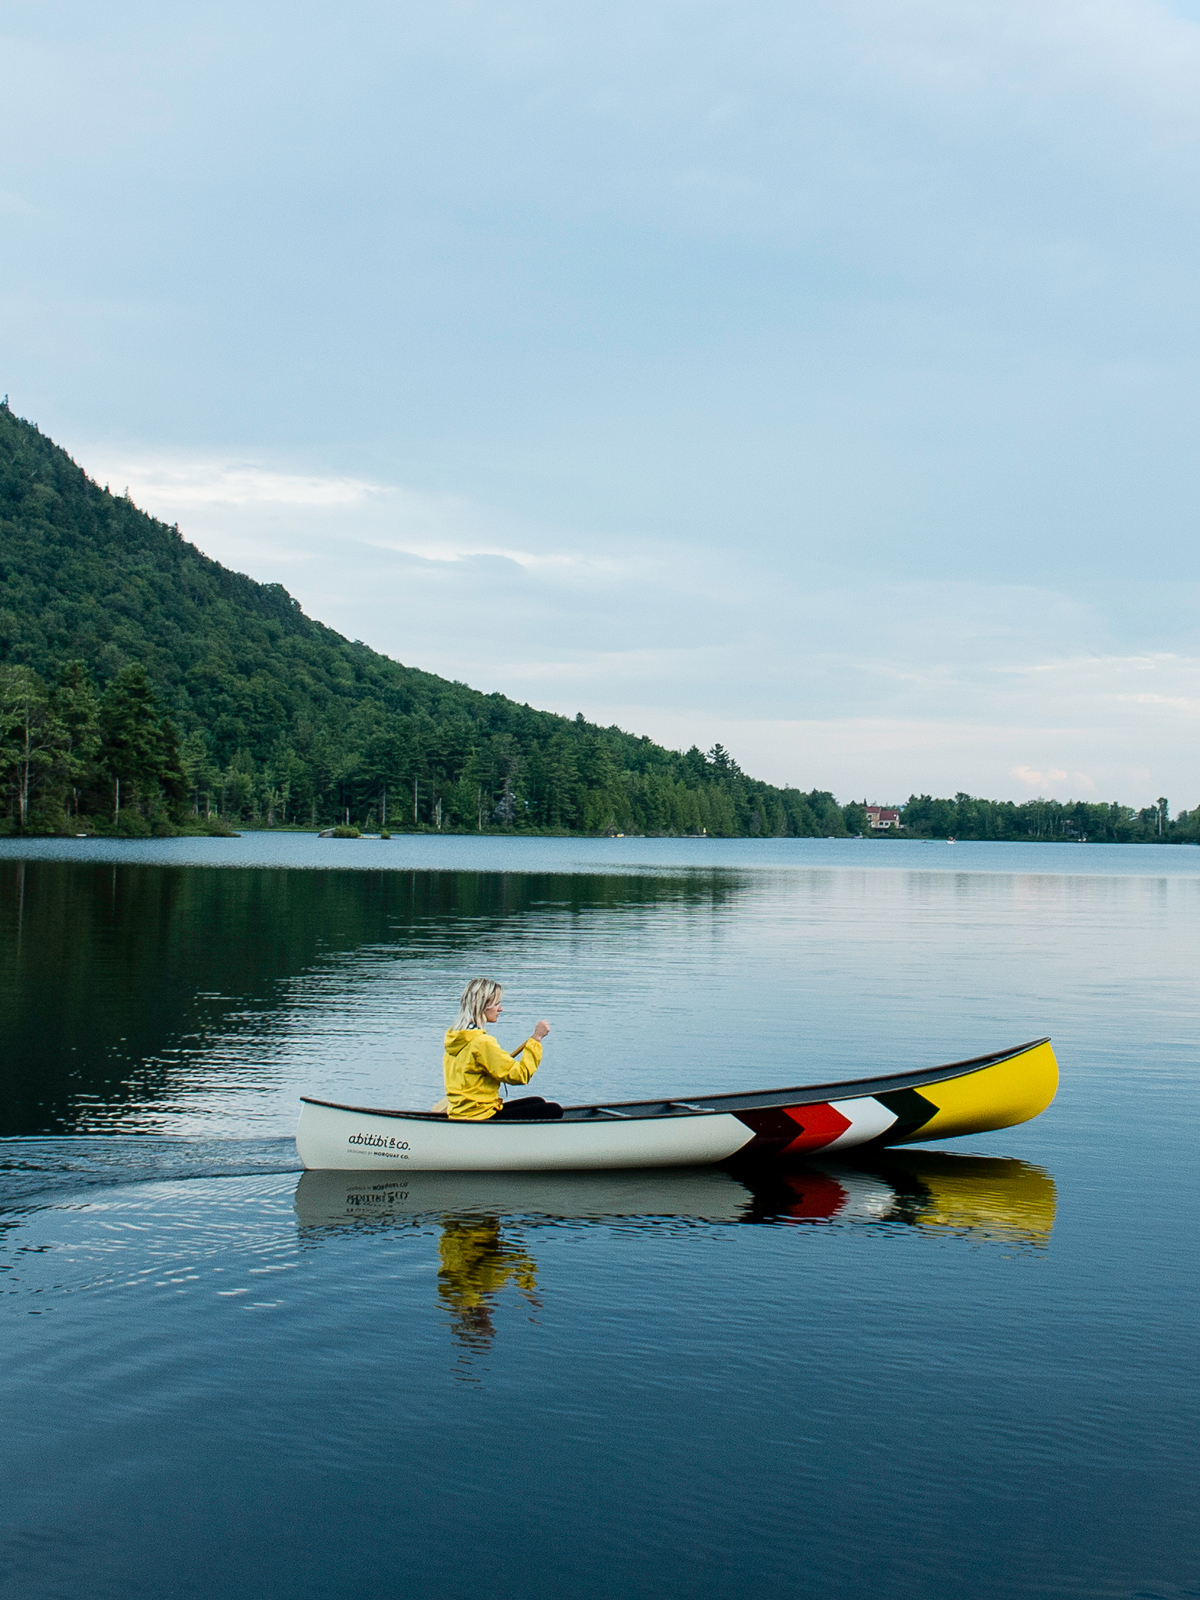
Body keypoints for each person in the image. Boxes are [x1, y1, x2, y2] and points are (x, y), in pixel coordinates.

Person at [443, 978, 562, 1121]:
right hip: (480, 1116)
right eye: (496, 1004)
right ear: (483, 1006)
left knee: (537, 1102)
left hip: (463, 1111)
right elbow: (520, 1075)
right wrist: (536, 1040)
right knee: (553, 1110)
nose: (501, 1009)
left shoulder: (456, 1037)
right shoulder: (482, 1042)